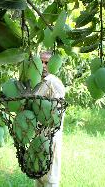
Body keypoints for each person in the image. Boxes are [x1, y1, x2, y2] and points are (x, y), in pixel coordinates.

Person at [34, 51, 66, 187]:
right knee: (39, 176)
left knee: (50, 178)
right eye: (41, 62)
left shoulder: (51, 81)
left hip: (50, 136)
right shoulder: (40, 82)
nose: (43, 65)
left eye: (46, 62)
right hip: (40, 135)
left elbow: (32, 102)